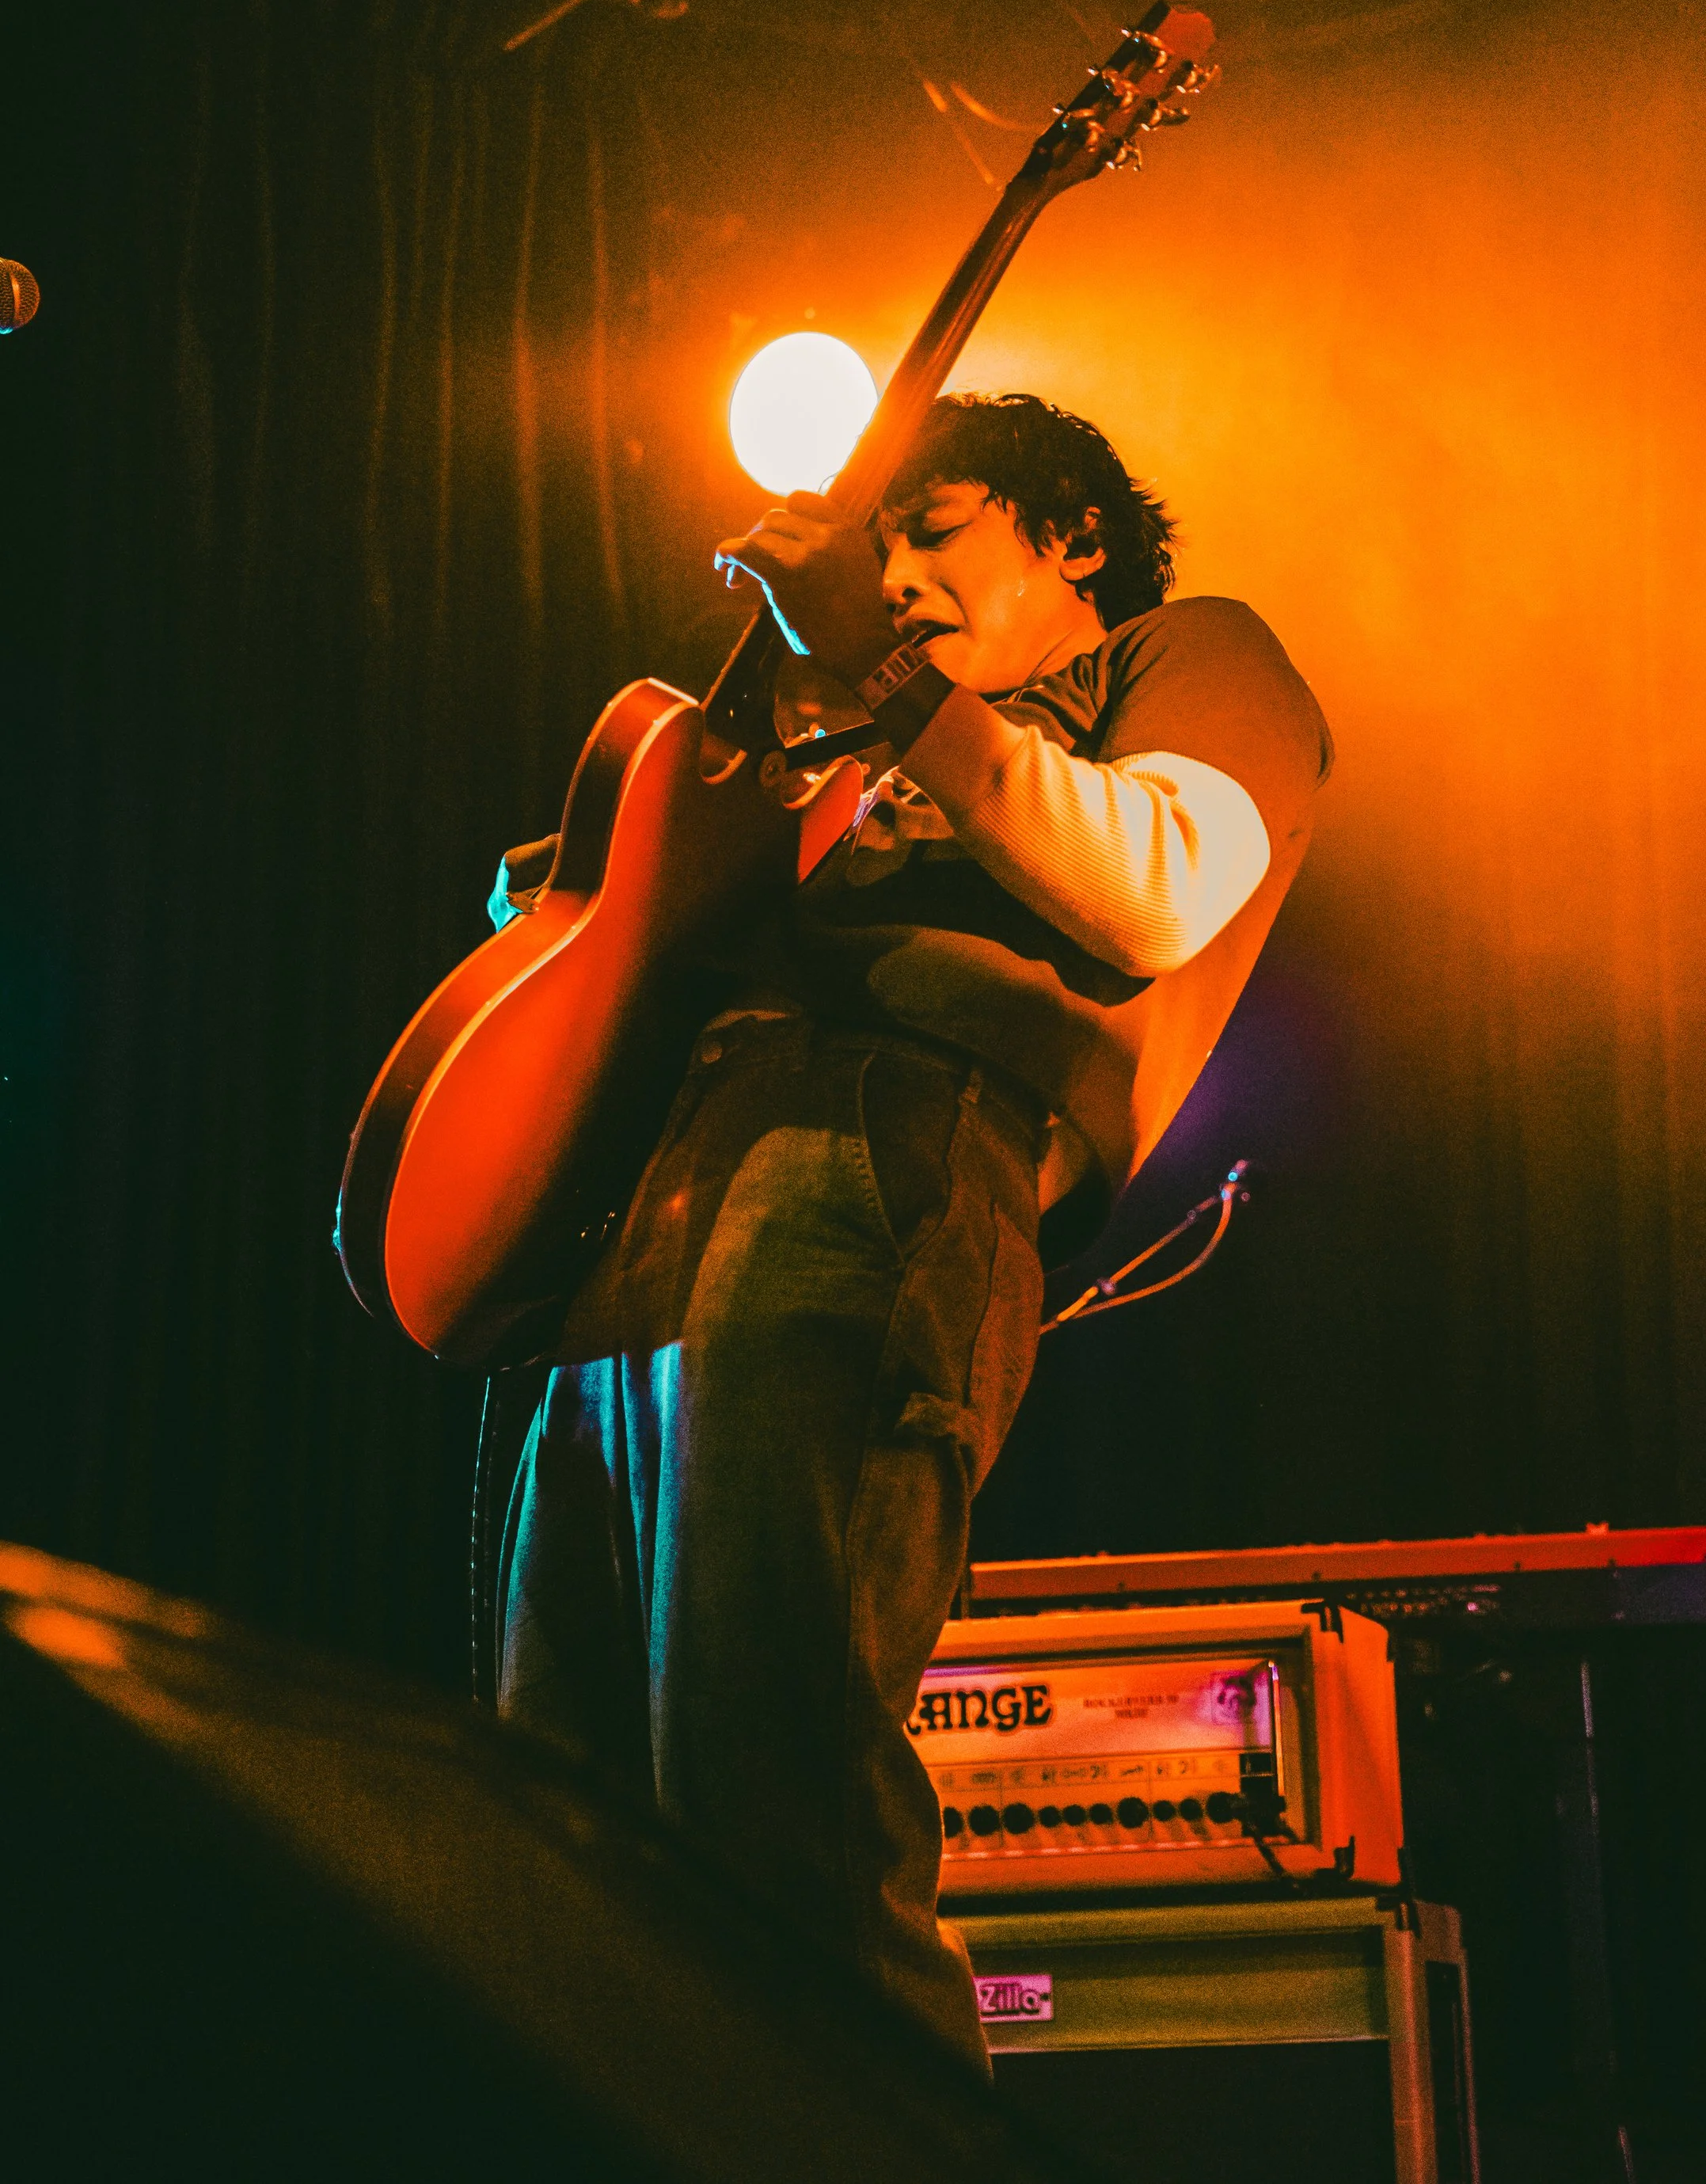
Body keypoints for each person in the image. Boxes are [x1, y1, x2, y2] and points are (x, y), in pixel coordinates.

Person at [494, 392, 1331, 2072]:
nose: (889, 581)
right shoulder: (851, 753)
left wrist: (890, 686)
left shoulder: (1189, 651)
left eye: (930, 532)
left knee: (775, 1781)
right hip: (663, 1198)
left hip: (876, 1144)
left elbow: (1160, 886)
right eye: (874, 558)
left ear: (1071, 537)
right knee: (566, 1805)